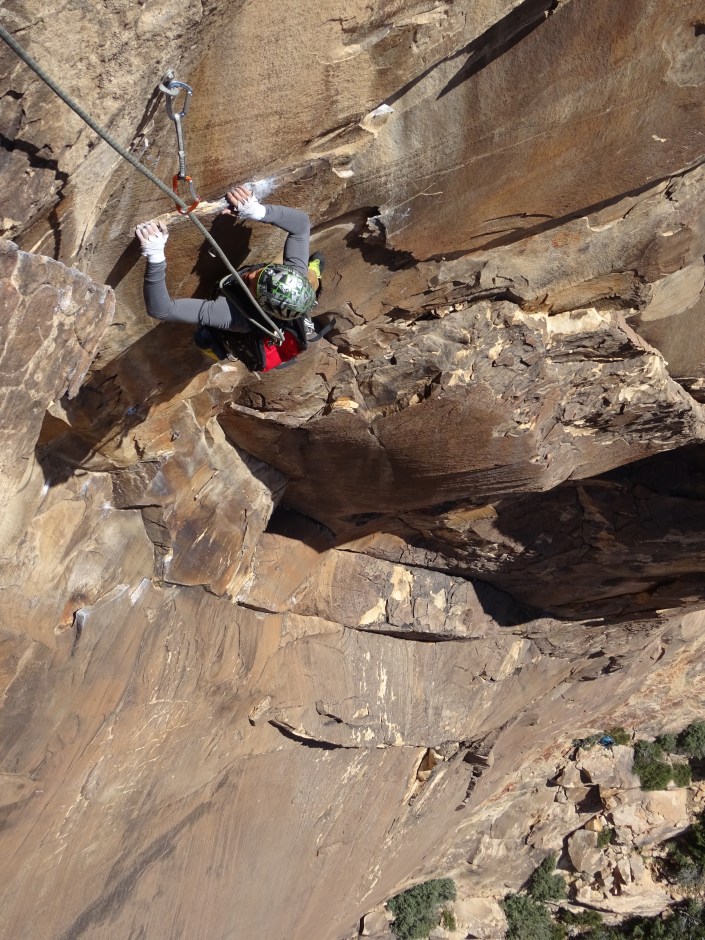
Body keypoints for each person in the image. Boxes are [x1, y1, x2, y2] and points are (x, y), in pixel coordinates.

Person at [134, 186, 323, 339]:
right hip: (295, 287)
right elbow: (301, 225)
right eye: (262, 273)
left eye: (253, 283)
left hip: (241, 318)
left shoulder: (232, 315)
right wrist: (259, 212)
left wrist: (155, 256)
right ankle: (315, 271)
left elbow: (162, 310)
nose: (251, 275)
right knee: (310, 276)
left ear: (259, 303)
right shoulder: (294, 277)